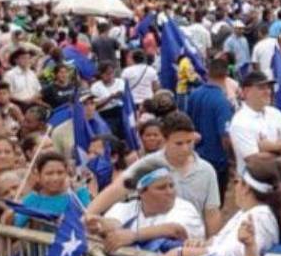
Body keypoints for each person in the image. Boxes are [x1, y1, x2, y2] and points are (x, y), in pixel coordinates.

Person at [86, 111, 222, 236]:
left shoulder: (206, 171)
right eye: (179, 143)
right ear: (165, 140)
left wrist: (212, 245)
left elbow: (211, 213)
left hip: (192, 241)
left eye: (189, 142)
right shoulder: (148, 164)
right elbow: (117, 189)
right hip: (155, 241)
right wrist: (88, 215)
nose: (185, 148)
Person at [228, 71, 281, 178]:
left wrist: (270, 146)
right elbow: (253, 160)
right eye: (261, 88)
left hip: (280, 181)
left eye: (269, 87)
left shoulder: (275, 113)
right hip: (254, 186)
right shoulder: (240, 122)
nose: (268, 91)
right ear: (246, 92)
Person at [186, 53, 236, 199]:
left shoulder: (195, 94)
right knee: (215, 203)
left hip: (196, 156)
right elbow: (225, 136)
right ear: (226, 74)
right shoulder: (222, 101)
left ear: (208, 72)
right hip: (216, 160)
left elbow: (188, 123)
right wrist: (232, 160)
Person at [91, 62, 126, 142]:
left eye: (112, 73)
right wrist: (110, 97)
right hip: (106, 115)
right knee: (112, 138)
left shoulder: (120, 82)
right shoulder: (96, 87)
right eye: (107, 74)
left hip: (121, 112)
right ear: (101, 74)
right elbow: (95, 105)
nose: (110, 76)